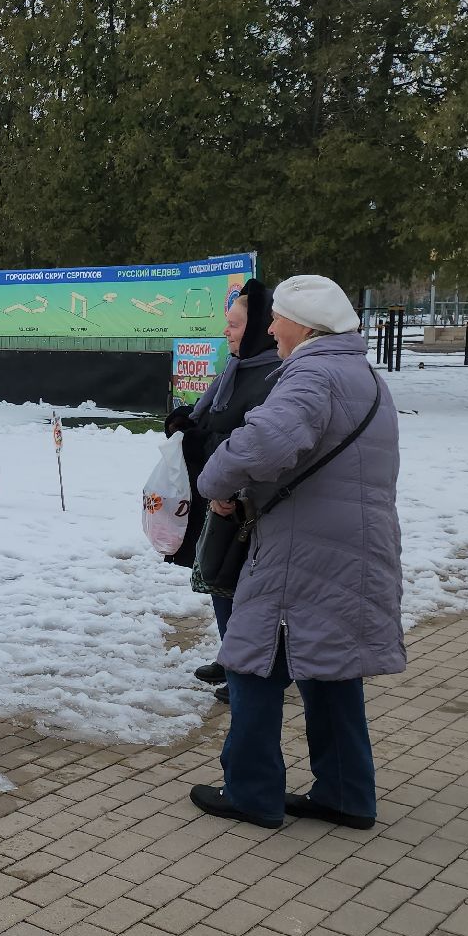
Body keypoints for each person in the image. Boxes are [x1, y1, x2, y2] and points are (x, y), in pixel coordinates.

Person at [188, 275, 405, 830]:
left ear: (305, 326)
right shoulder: (364, 375)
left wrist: (215, 482)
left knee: (251, 666)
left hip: (301, 550)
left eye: (277, 317)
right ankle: (346, 794)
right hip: (353, 546)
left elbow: (264, 442)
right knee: (330, 670)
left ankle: (252, 793)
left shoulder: (313, 373)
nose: (270, 328)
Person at [164, 278, 280, 705]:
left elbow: (251, 442)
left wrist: (201, 442)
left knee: (239, 587)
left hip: (248, 506)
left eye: (234, 325)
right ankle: (232, 654)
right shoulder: (237, 368)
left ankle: (247, 668)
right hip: (219, 498)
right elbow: (214, 419)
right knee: (217, 579)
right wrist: (186, 425)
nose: (227, 332)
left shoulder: (271, 375)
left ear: (256, 328)